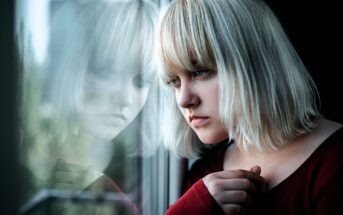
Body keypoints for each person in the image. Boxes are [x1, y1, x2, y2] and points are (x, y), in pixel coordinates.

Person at [156, 0, 343, 214]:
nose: (183, 99)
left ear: (253, 61)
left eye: (199, 72)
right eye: (174, 82)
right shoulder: (205, 180)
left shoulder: (334, 161)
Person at [19, 0, 159, 213]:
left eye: (140, 80)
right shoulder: (23, 175)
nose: (125, 98)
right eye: (106, 70)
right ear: (68, 66)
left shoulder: (136, 192)